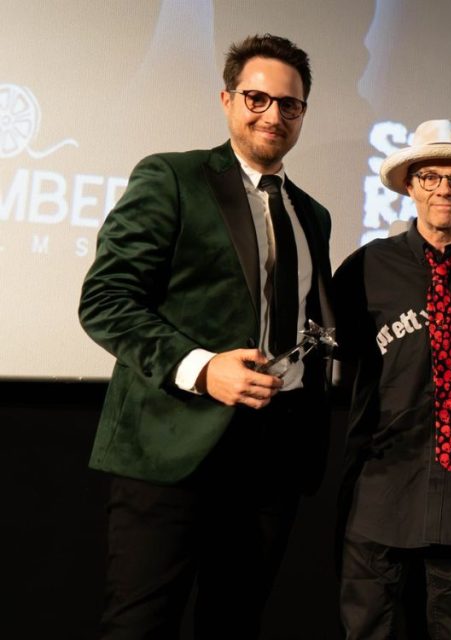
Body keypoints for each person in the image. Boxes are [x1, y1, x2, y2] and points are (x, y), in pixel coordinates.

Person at [78, 34, 334, 637]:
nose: (273, 114)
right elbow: (105, 300)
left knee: (235, 624)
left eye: (289, 104)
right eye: (256, 98)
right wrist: (201, 367)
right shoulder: (172, 176)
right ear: (227, 100)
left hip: (272, 455)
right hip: (171, 446)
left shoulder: (312, 212)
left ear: (302, 114)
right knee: (140, 626)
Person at [332, 119, 451, 638]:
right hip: (383, 475)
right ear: (410, 186)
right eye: (431, 176)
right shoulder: (367, 268)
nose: (445, 188)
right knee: (369, 626)